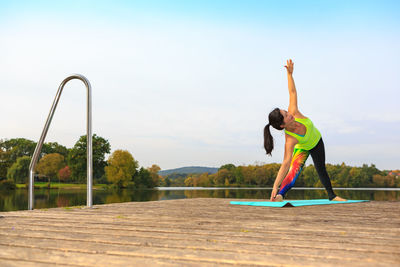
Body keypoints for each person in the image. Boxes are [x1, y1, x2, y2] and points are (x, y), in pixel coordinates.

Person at [264, 59, 346, 202]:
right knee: (294, 172)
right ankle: (281, 195)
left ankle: (332, 196)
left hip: (316, 142)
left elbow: (292, 91)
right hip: (302, 147)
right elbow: (285, 163)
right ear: (282, 125)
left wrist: (289, 74)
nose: (290, 114)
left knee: (321, 169)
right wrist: (275, 186)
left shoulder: (294, 111)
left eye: (286, 111)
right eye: (286, 115)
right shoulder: (290, 140)